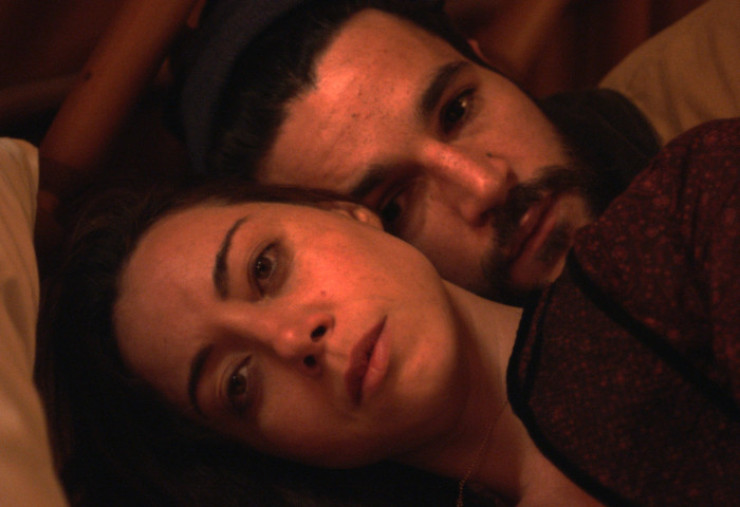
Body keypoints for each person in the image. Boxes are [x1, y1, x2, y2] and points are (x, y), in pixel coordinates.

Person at [39, 119, 740, 506]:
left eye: (264, 268)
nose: (291, 339)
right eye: (238, 383)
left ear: (344, 212)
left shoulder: (682, 216)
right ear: (262, 450)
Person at [172, 0, 663, 304]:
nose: (485, 185)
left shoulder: (700, 95)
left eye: (458, 111)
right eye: (395, 206)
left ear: (484, 59)